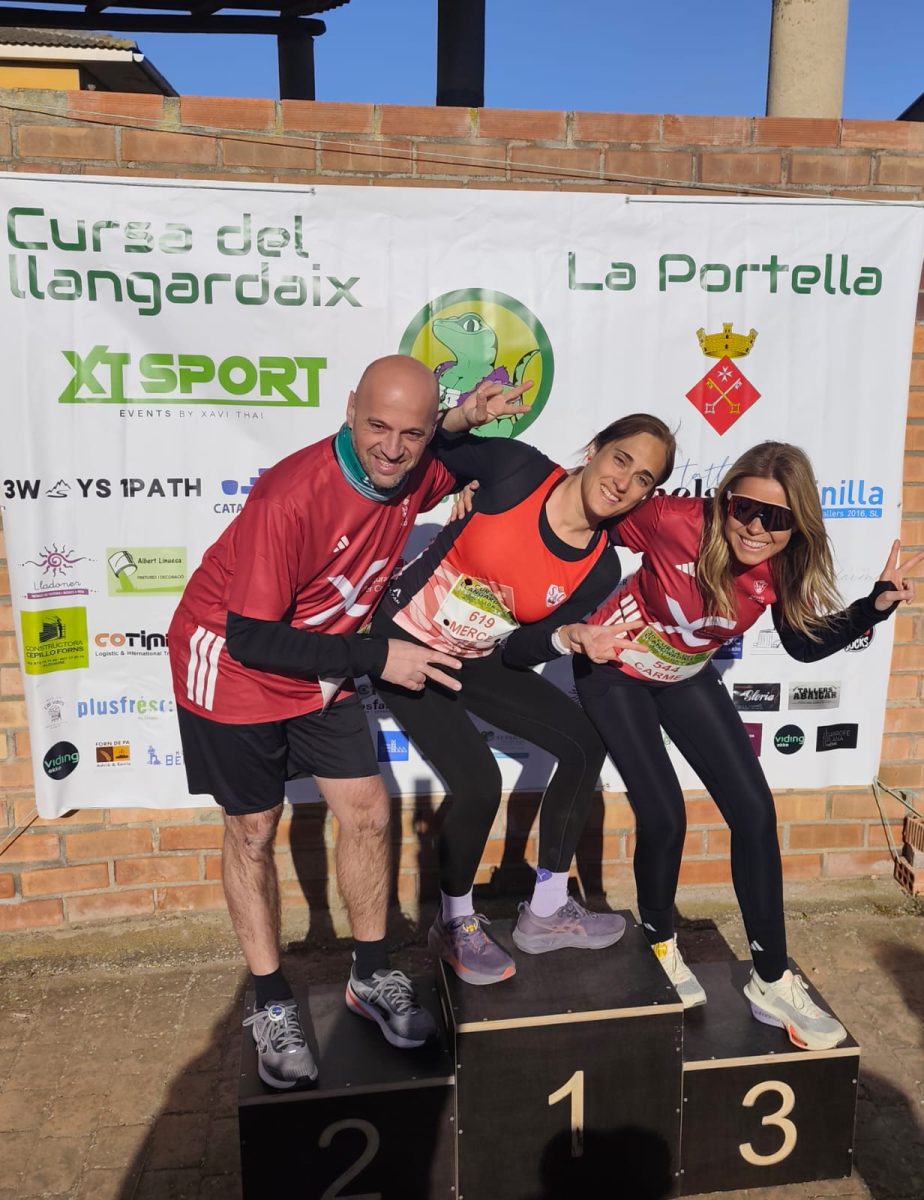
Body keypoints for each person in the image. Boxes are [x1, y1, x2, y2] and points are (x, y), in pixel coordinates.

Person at [167, 355, 515, 1089]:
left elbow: (452, 453)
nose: (391, 449)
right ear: (350, 407)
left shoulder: (415, 468)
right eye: (377, 426)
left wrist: (461, 419)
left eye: (412, 434)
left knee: (367, 812)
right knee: (253, 828)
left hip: (322, 659)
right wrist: (378, 656)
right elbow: (253, 638)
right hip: (231, 663)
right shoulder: (289, 496)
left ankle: (370, 974)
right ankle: (270, 1000)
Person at [549, 440, 923, 1050]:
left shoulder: (785, 563)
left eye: (775, 518)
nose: (755, 528)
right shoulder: (673, 520)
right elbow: (581, 513)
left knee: (754, 813)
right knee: (664, 815)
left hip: (682, 673)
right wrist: (497, 502)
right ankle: (659, 946)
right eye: (744, 508)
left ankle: (771, 978)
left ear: (796, 524)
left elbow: (802, 646)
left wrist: (873, 607)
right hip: (614, 667)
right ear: (724, 502)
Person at [371, 409, 676, 985]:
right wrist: (463, 418)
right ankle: (454, 922)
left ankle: (547, 910)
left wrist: (569, 637)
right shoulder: (518, 469)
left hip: (475, 655)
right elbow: (435, 448)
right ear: (594, 449)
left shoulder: (601, 566)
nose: (623, 482)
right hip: (405, 642)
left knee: (584, 743)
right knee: (479, 781)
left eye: (643, 479)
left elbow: (517, 650)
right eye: (621, 460)